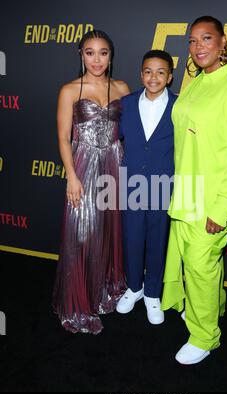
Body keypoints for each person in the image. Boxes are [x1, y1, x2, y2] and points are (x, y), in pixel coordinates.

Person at [161, 16, 227, 364]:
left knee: (200, 265)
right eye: (192, 41)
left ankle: (205, 337)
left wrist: (221, 210)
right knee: (200, 266)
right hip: (187, 190)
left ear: (223, 42)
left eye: (206, 38)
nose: (198, 46)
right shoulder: (199, 83)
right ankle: (211, 309)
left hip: (214, 199)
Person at [52, 29, 130, 334]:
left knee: (111, 229)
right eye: (90, 52)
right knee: (82, 232)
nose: (96, 59)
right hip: (83, 165)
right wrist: (71, 175)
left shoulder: (122, 87)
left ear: (111, 56)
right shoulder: (70, 90)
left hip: (115, 162)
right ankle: (79, 302)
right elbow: (62, 136)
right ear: (81, 55)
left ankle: (106, 288)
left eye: (103, 52)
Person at [116, 50, 177, 325]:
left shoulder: (180, 106)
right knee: (131, 238)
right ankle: (134, 287)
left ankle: (153, 293)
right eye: (148, 71)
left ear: (170, 76)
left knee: (157, 240)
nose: (154, 77)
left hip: (164, 184)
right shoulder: (126, 104)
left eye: (161, 72)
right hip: (130, 184)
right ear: (141, 74)